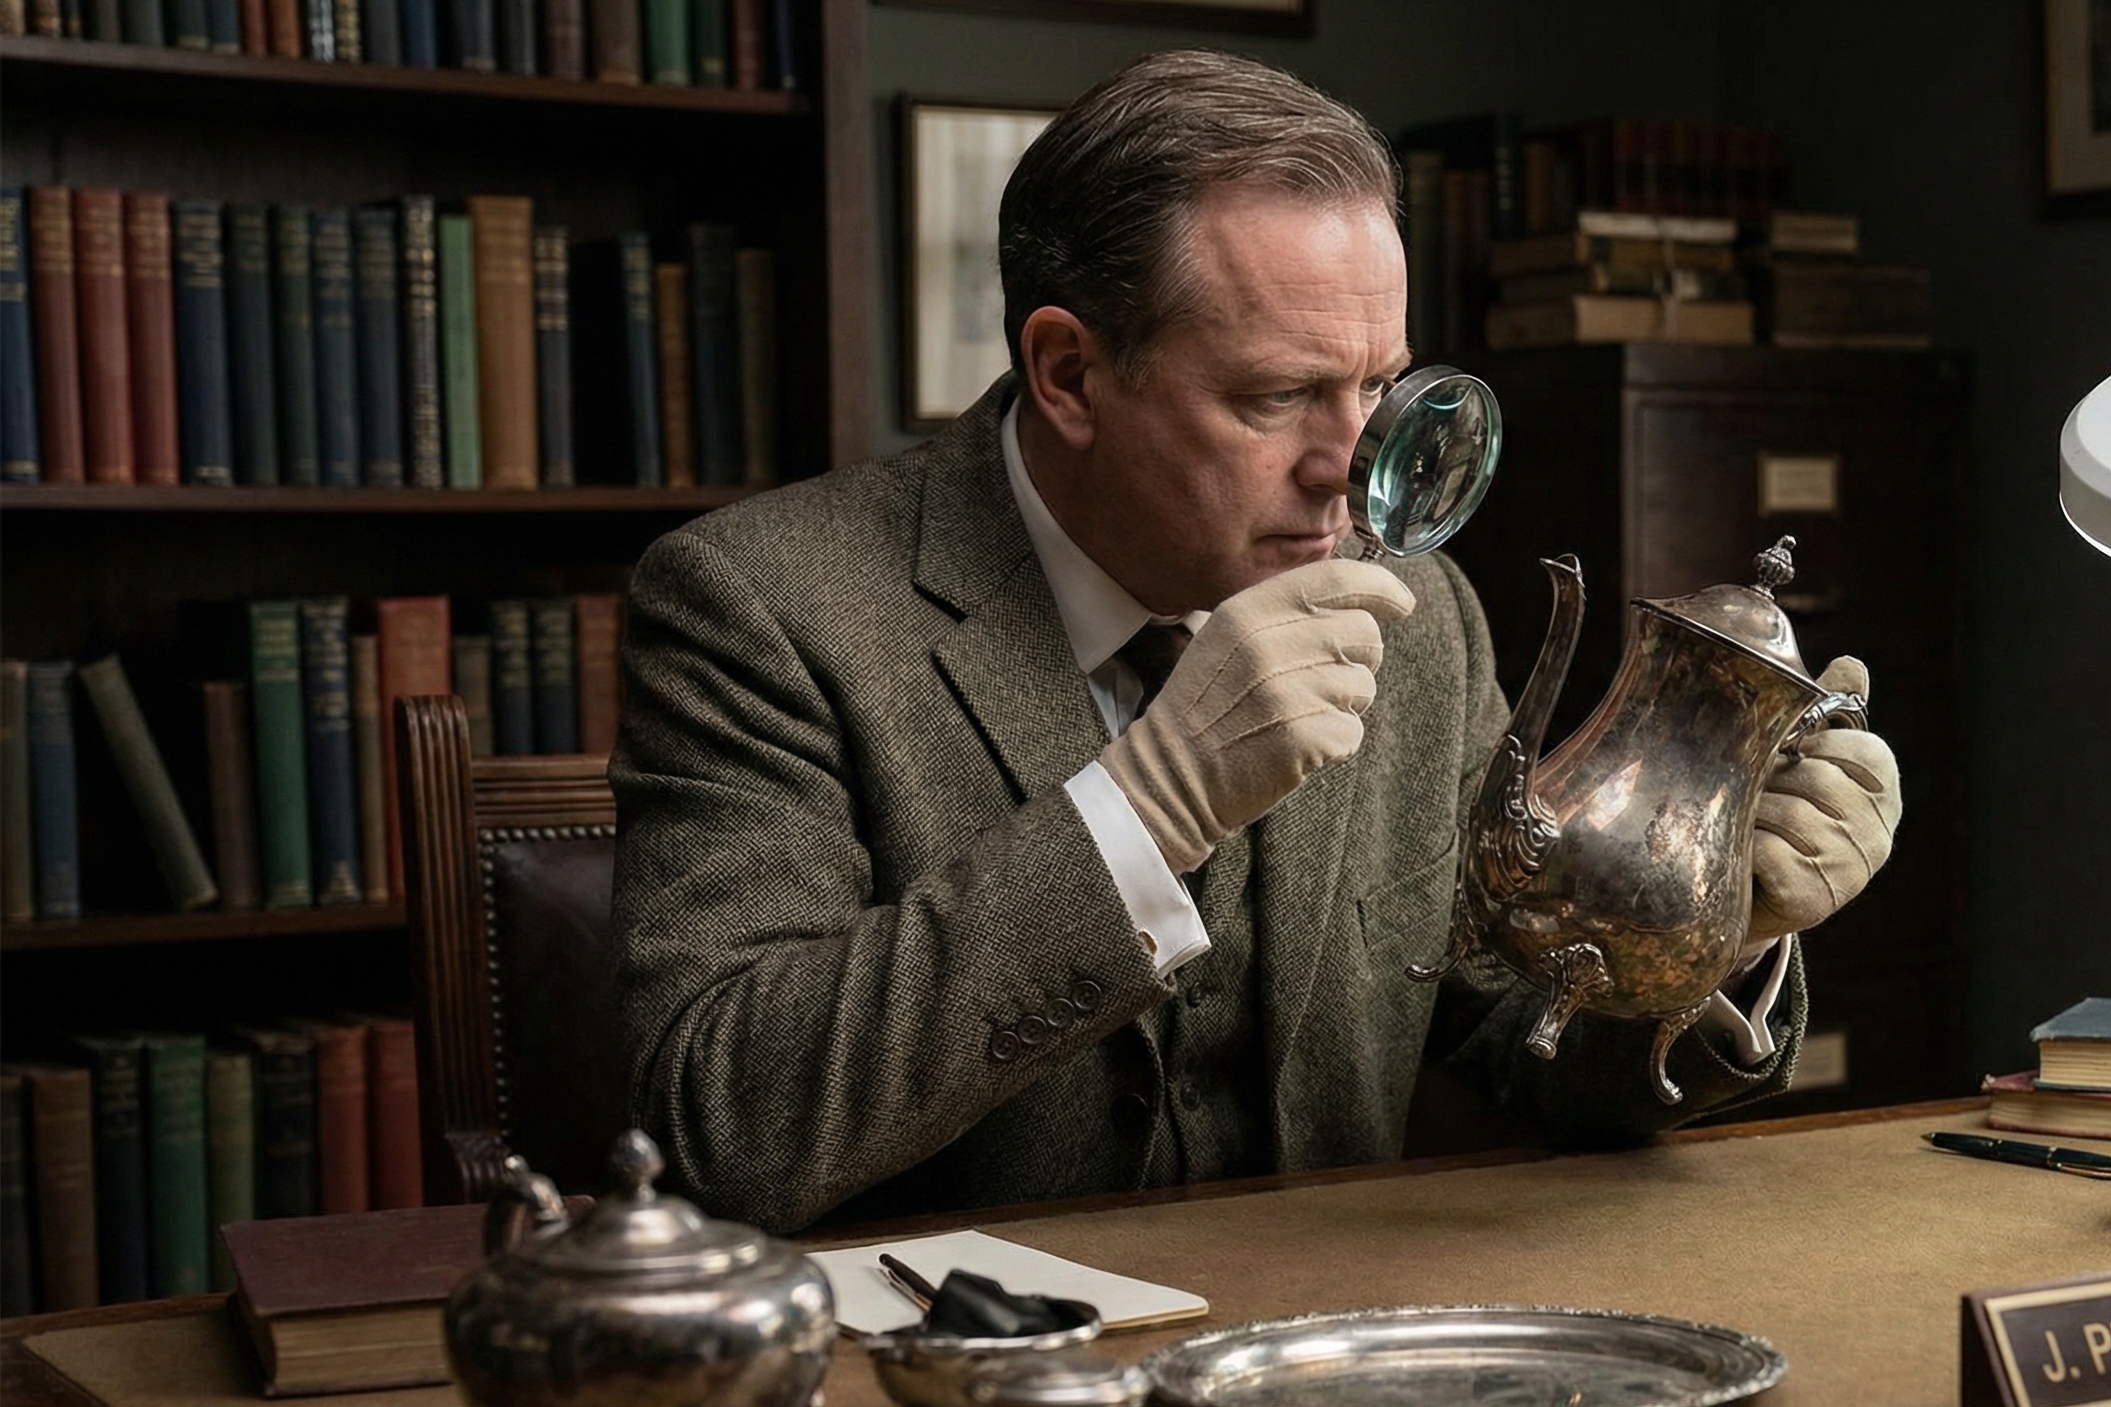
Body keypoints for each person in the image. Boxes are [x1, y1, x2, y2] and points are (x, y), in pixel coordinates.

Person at [610, 50, 1902, 1235]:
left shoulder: (1421, 618)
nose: (1353, 471)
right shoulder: (761, 607)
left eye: (1379, 388)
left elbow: (1524, 1046)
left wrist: (1712, 932)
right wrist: (1145, 810)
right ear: (1068, 375)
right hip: (958, 1382)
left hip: (1323, 1361)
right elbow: (719, 1129)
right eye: (1278, 396)